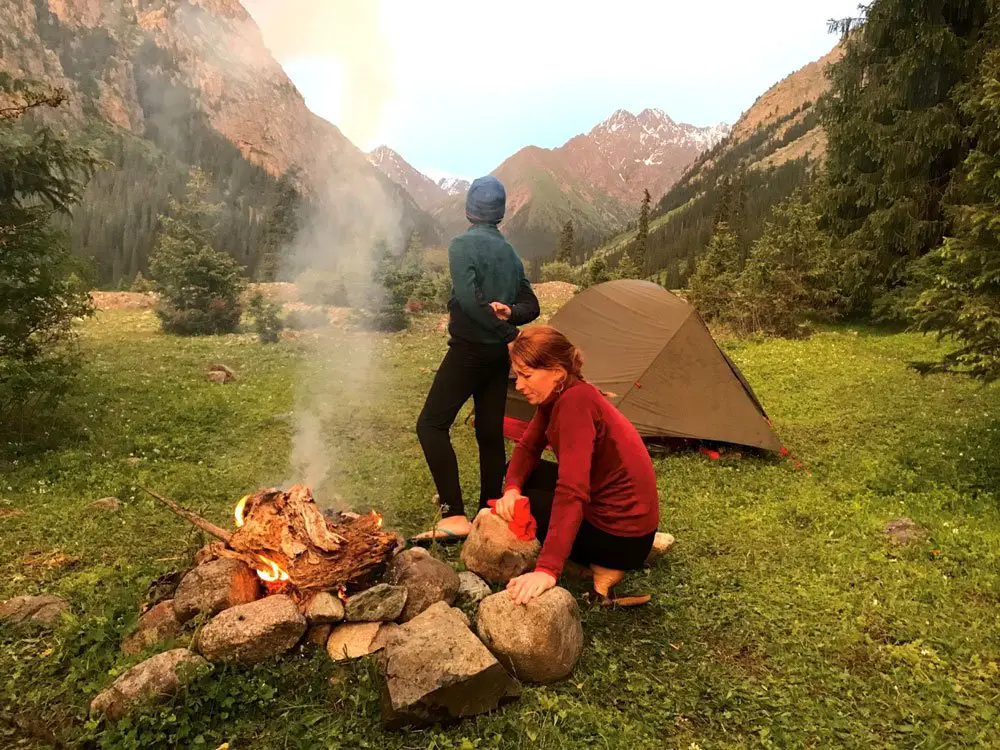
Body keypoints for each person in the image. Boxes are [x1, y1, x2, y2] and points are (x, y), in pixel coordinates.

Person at [412, 176, 539, 543]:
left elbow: (469, 302)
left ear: (469, 209)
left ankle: (454, 514)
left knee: (431, 425)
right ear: (500, 213)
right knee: (488, 431)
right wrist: (510, 315)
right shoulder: (511, 254)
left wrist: (508, 334)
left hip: (469, 351)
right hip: (497, 358)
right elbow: (531, 306)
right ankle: (489, 507)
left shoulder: (461, 246)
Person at [495, 325, 660, 606]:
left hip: (622, 540)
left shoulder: (574, 404)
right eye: (517, 375)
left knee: (531, 502)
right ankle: (594, 557)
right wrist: (511, 489)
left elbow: (572, 491)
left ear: (557, 372)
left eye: (526, 375)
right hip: (627, 524)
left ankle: (604, 566)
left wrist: (547, 570)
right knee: (522, 479)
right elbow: (528, 448)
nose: (519, 385)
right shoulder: (561, 393)